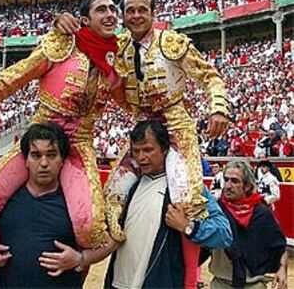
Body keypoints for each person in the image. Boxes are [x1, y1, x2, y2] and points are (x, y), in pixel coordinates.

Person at [55, 0, 230, 287]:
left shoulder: (172, 43)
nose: (136, 15)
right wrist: (61, 23)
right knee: (111, 198)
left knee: (187, 199)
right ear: (123, 16)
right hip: (142, 131)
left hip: (176, 131)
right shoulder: (119, 47)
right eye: (130, 11)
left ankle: (190, 280)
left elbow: (209, 76)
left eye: (142, 10)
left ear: (152, 13)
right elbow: (85, 39)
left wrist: (219, 108)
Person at [0, 0, 128, 248]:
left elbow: (131, 101)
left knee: (90, 228)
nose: (110, 15)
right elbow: (14, 76)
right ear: (84, 20)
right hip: (38, 140)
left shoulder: (116, 59)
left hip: (78, 145)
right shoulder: (60, 45)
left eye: (113, 10)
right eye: (101, 9)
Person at [37, 120, 232, 287]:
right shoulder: (129, 187)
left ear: (165, 150)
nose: (141, 157)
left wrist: (188, 227)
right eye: (136, 151)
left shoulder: (185, 188)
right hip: (118, 283)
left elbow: (224, 234)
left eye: (148, 150)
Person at [0, 123, 89, 288]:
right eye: (36, 155)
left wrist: (81, 259)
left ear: (62, 160)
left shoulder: (77, 203)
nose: (44, 163)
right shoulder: (6, 196)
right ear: (25, 160)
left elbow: (112, 241)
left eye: (52, 155)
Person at [204, 161, 288, 288]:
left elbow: (279, 247)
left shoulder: (261, 213)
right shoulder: (216, 211)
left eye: (235, 181)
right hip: (221, 284)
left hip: (254, 285)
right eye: (226, 180)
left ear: (247, 186)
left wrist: (282, 269)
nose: (228, 185)